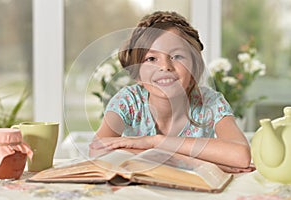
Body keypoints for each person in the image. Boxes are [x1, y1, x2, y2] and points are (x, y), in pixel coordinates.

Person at [89, 11, 253, 172]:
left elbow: (240, 156)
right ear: (137, 74)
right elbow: (97, 151)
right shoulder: (128, 101)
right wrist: (197, 162)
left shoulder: (210, 102)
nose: (165, 66)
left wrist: (155, 142)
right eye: (151, 59)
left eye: (177, 56)